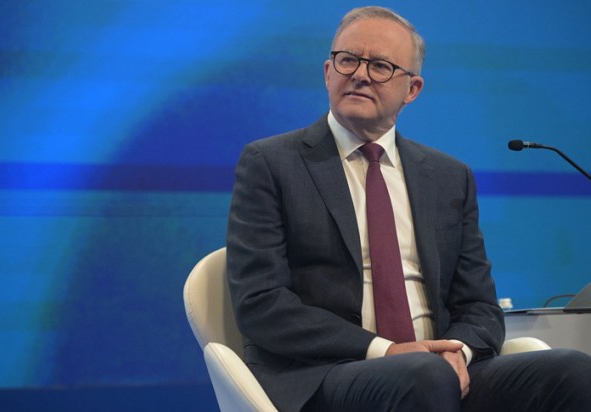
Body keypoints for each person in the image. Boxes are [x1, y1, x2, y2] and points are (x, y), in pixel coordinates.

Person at [226, 6, 591, 411]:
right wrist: (385, 351)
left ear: (412, 89)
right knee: (423, 376)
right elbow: (261, 304)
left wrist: (458, 352)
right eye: (347, 60)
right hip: (327, 372)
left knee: (570, 370)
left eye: (380, 66)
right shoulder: (272, 163)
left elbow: (479, 306)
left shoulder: (449, 176)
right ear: (328, 72)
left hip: (436, 371)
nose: (360, 74)